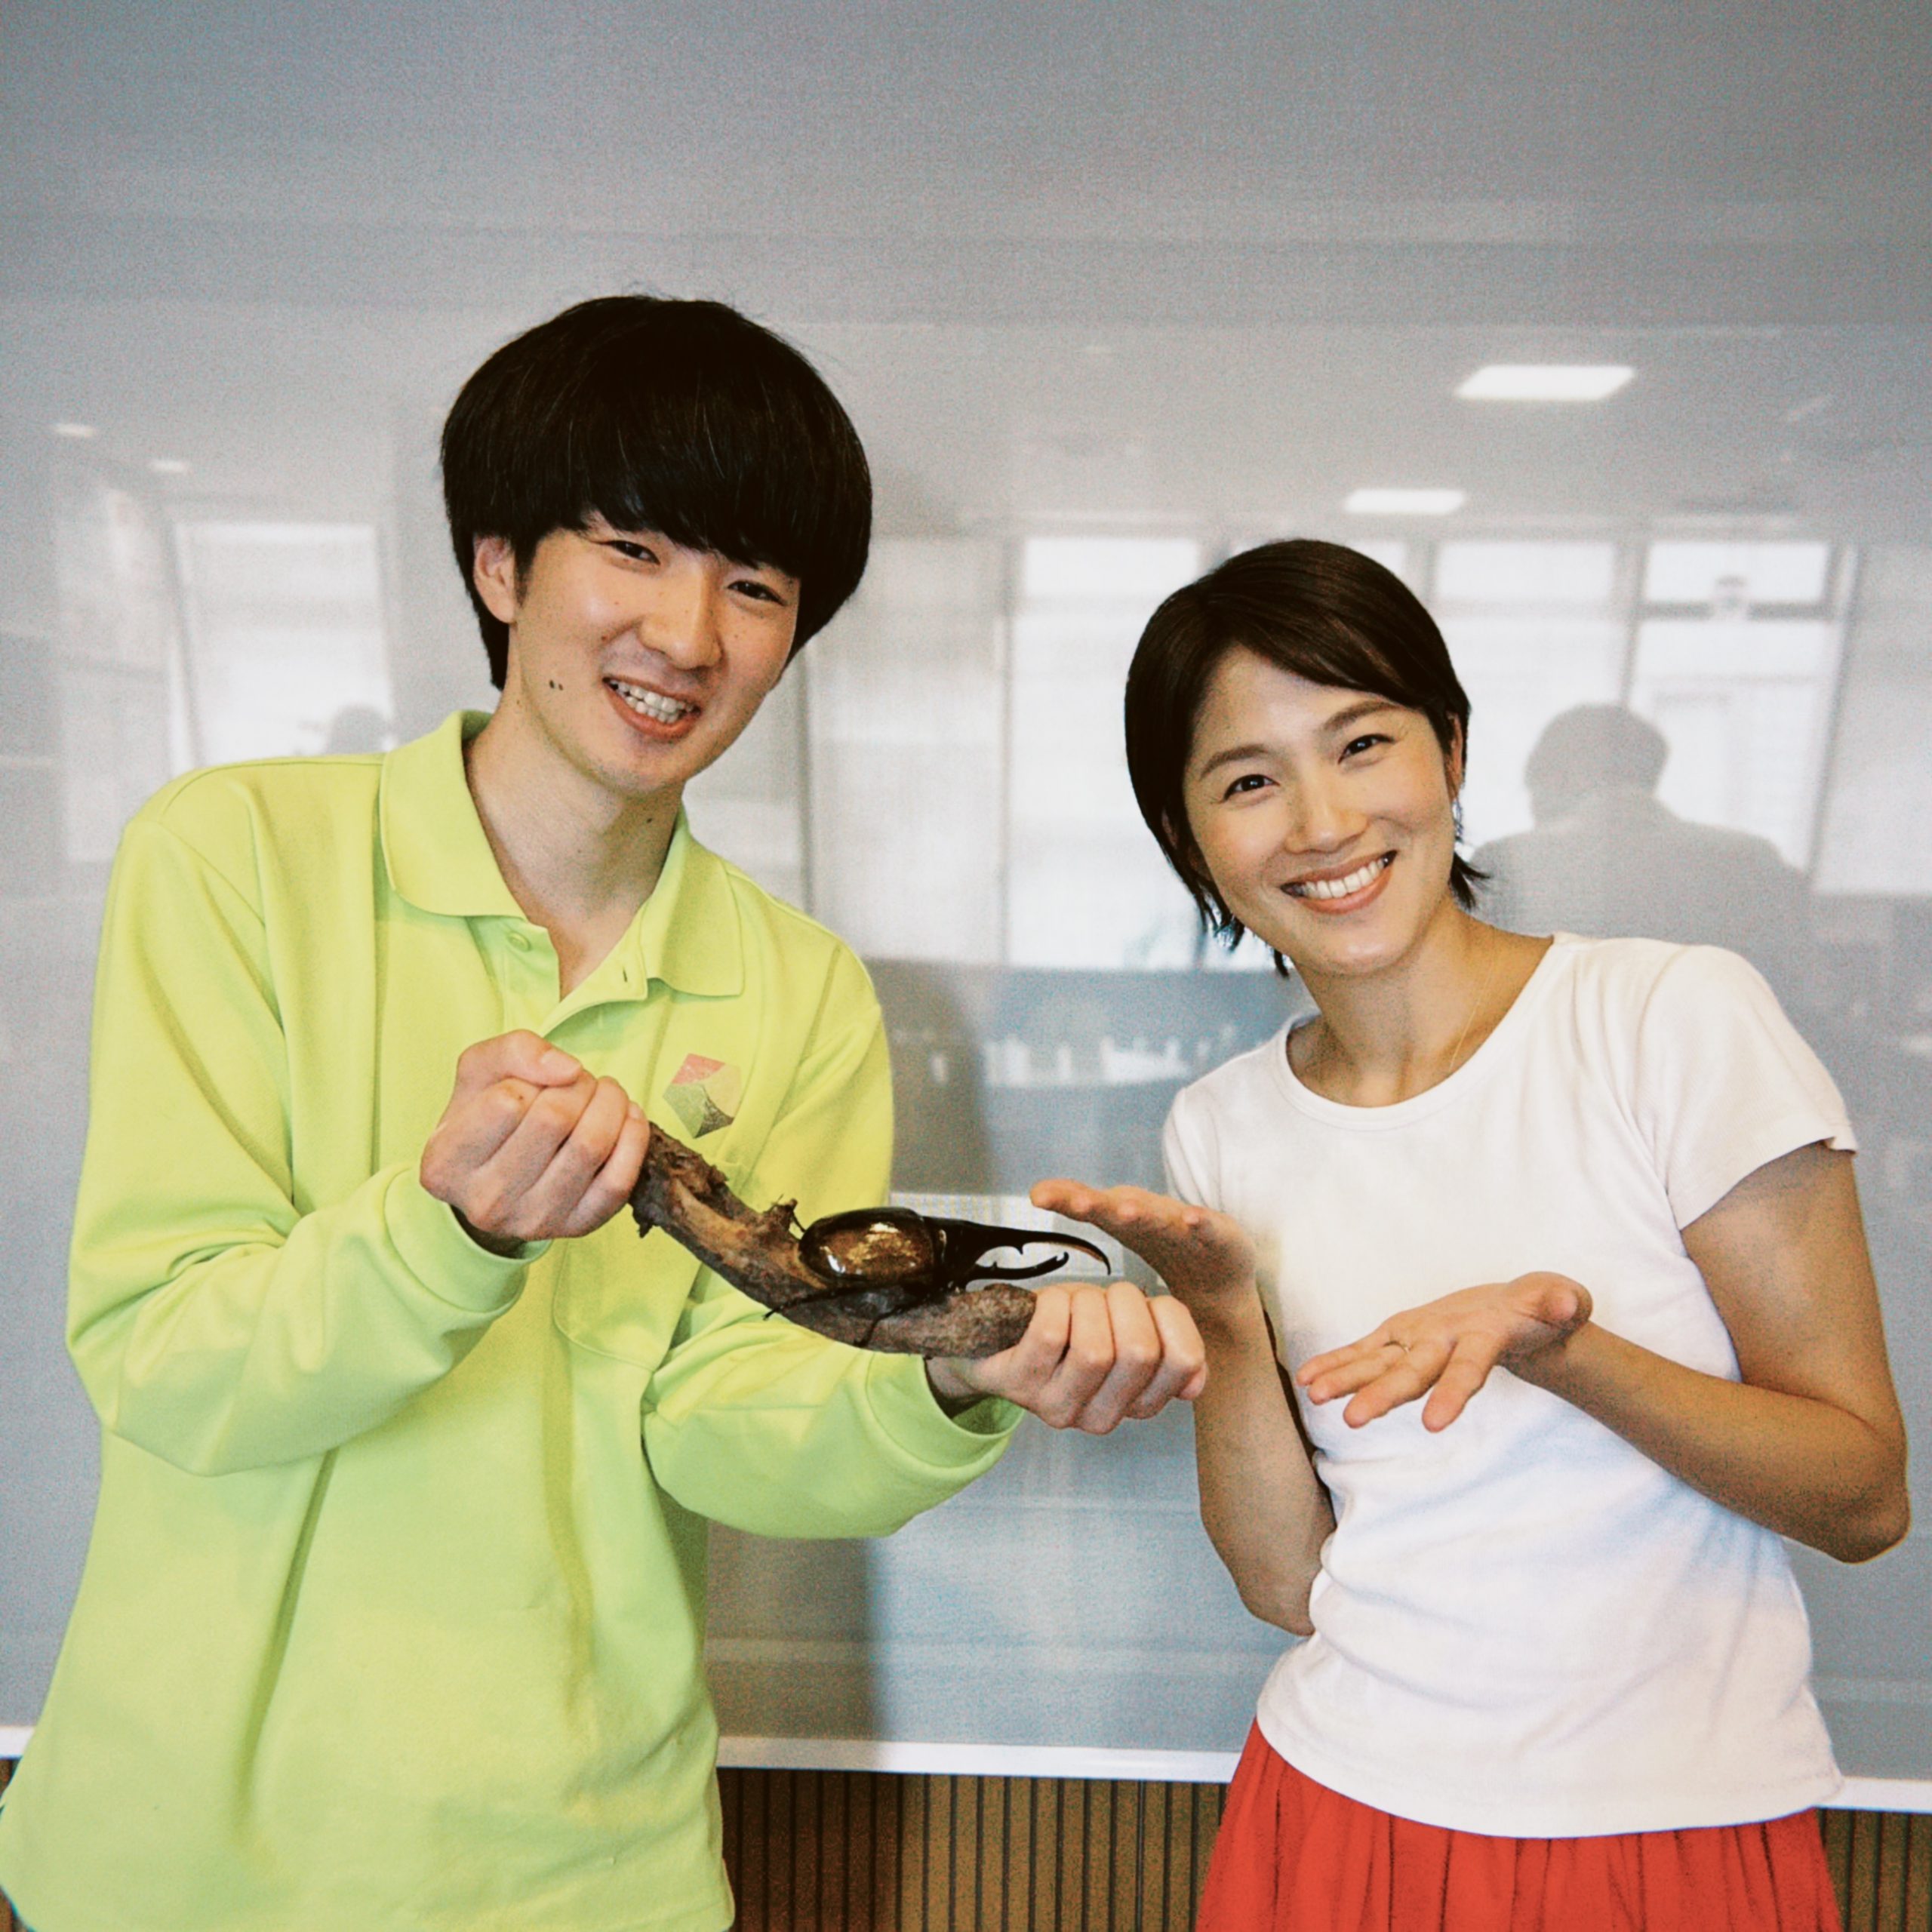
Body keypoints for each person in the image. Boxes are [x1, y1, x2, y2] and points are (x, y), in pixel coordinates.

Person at [0, 296, 1204, 1932]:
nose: (688, 635)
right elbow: (164, 1358)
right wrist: (446, 1234)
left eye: (754, 586)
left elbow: (720, 1419)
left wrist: (944, 1372)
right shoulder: (236, 857)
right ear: (499, 564)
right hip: (191, 1861)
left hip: (588, 1866)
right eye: (632, 549)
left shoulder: (794, 984)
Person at [1036, 540, 1908, 1931]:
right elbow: (1285, 1585)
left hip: (1665, 1828)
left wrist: (1564, 1354)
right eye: (1248, 781)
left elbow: (1862, 1498)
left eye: (1362, 744)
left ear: (1449, 750)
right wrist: (1223, 1316)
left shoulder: (1670, 1019)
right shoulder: (1222, 1125)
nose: (1322, 822)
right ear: (1188, 838)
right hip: (1334, 1808)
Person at [1472, 703, 1820, 1015]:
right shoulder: (1754, 860)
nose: (1534, 809)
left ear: (1558, 777)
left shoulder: (1504, 862)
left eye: (1533, 788)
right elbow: (1801, 990)